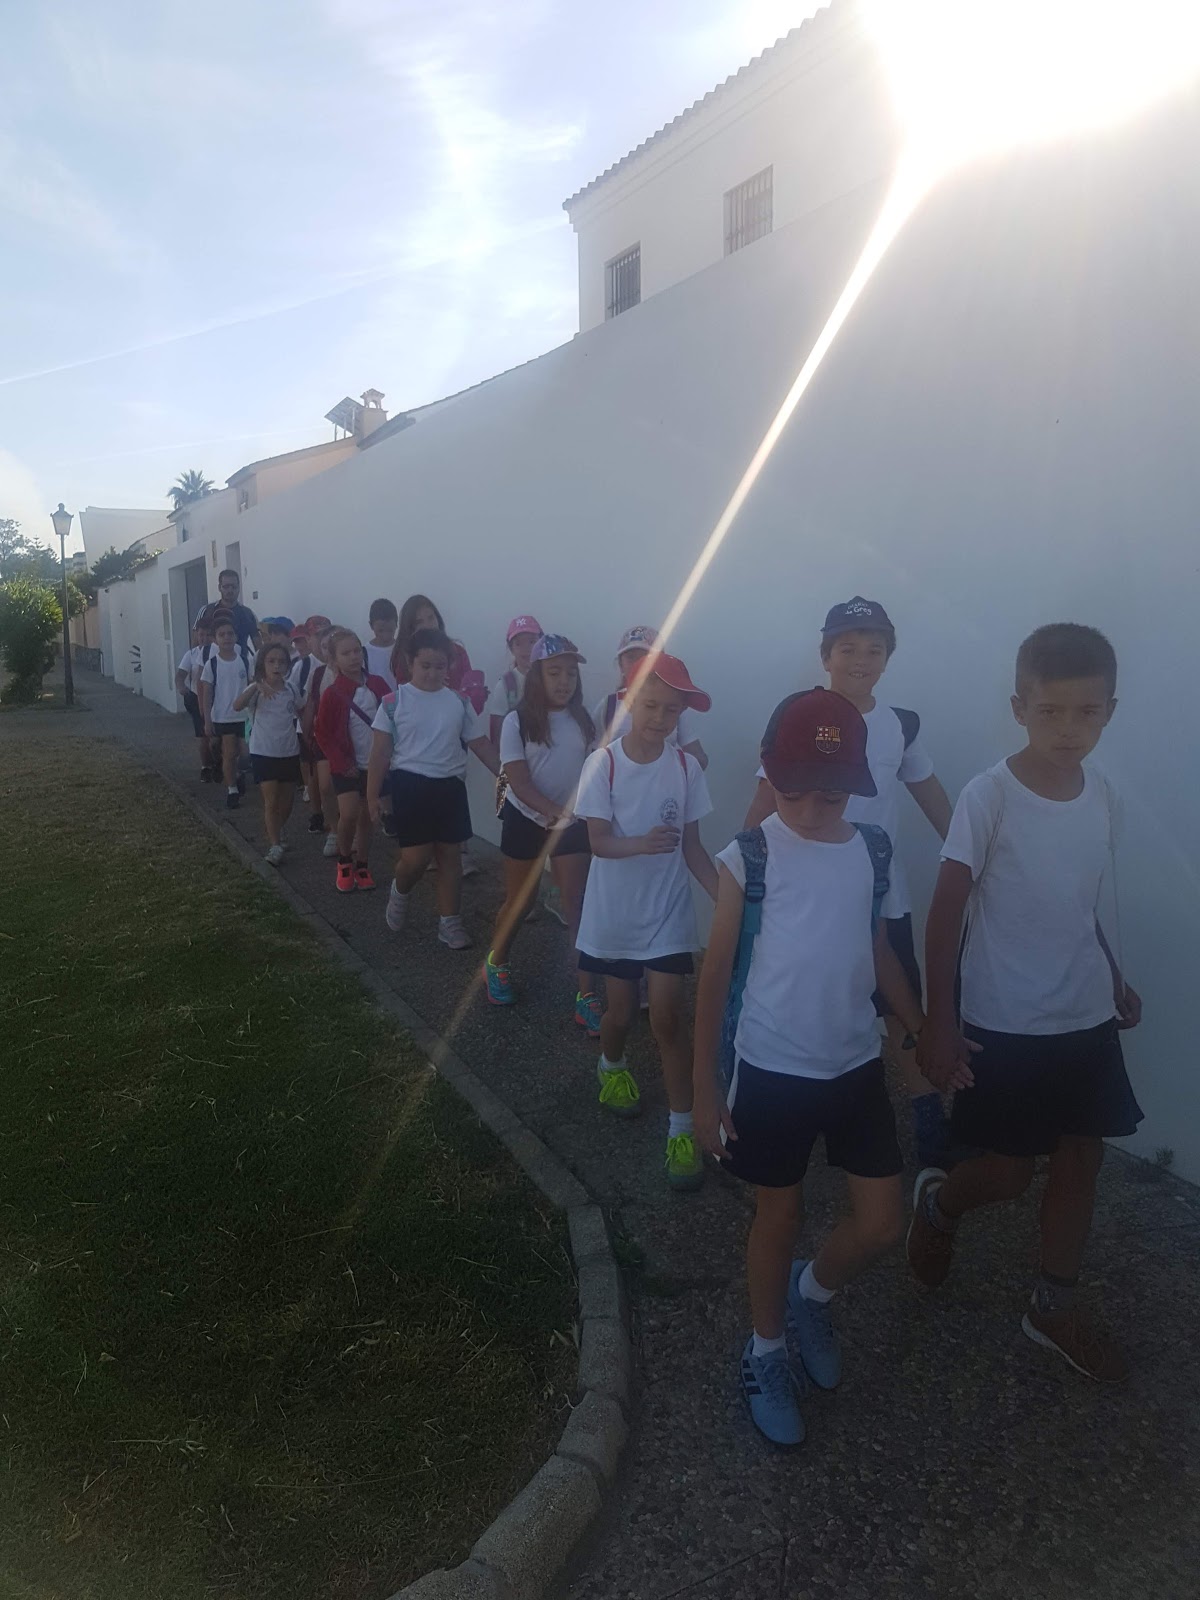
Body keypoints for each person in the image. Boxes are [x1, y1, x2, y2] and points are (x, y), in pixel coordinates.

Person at [906, 623, 1142, 1382]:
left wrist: (1114, 973)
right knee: (1008, 1172)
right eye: (1050, 712)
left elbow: (1078, 902)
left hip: (1085, 1014)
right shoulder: (990, 797)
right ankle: (939, 1207)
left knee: (1082, 1155)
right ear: (1019, 709)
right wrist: (939, 1023)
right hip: (1006, 1021)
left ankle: (1052, 1306)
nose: (1069, 729)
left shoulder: (1102, 795)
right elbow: (946, 911)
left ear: (1110, 710)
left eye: (1087, 712)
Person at [693, 689, 923, 1447]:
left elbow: (878, 950)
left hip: (855, 1064)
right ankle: (764, 1351)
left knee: (882, 1223)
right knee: (779, 1215)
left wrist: (922, 1029)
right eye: (795, 791)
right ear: (770, 773)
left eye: (833, 793)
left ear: (856, 783)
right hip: (772, 1070)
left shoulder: (871, 851)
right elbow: (715, 975)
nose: (814, 809)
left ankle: (812, 1294)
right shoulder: (749, 855)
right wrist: (702, 1090)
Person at [744, 597, 954, 1168]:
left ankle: (928, 1114)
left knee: (900, 1004)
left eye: (874, 649)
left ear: (888, 657)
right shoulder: (800, 716)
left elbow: (934, 799)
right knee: (806, 992)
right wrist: (741, 873)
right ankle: (791, 1095)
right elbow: (766, 799)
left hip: (883, 897)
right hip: (808, 894)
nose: (861, 659)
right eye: (847, 647)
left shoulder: (900, 727)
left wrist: (971, 854)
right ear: (825, 655)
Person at [574, 652, 717, 1191]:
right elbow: (597, 841)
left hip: (667, 914)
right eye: (651, 705)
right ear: (630, 702)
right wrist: (640, 843)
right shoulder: (603, 764)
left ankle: (682, 1129)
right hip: (615, 916)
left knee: (668, 1017)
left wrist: (727, 899)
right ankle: (611, 1067)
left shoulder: (685, 769)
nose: (660, 718)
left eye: (672, 710)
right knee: (618, 1014)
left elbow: (693, 848)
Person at [484, 633, 599, 1030]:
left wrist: (577, 813)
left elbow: (594, 772)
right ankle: (497, 962)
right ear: (536, 675)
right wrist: (552, 811)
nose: (564, 680)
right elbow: (517, 781)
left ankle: (587, 995)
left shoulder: (585, 721)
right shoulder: (517, 721)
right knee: (521, 901)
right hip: (526, 818)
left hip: (570, 822)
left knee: (576, 905)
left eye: (571, 673)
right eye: (554, 672)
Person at [366, 627, 498, 948]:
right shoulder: (394, 702)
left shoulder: (458, 702)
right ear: (410, 662)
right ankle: (400, 891)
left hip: (450, 787)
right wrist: (372, 796)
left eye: (440, 666)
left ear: (449, 665)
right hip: (410, 785)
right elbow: (380, 753)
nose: (432, 673)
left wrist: (507, 776)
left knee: (450, 857)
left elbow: (480, 744)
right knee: (416, 859)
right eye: (425, 665)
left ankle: (449, 922)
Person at [389, 594, 487, 876]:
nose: (426, 624)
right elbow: (408, 690)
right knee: (424, 792)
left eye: (430, 617)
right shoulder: (404, 655)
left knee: (454, 784)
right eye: (418, 621)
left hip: (453, 724)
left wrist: (473, 696)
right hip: (421, 733)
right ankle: (427, 851)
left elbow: (467, 686)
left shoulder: (457, 650)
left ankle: (459, 850)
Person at [313, 628, 391, 892]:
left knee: (368, 817)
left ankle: (363, 863)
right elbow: (322, 732)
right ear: (334, 660)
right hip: (345, 765)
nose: (353, 657)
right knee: (348, 814)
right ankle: (345, 860)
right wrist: (339, 761)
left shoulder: (378, 685)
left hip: (374, 764)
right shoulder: (333, 693)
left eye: (357, 651)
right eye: (346, 653)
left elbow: (395, 716)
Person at [594, 625, 709, 768]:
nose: (638, 664)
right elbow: (593, 758)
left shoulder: (674, 706)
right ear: (621, 664)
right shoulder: (608, 705)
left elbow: (699, 758)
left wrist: (672, 768)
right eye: (631, 657)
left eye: (647, 657)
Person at [234, 642, 303, 865]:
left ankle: (277, 830)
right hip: (263, 751)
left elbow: (301, 709)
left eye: (281, 662)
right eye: (271, 661)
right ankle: (274, 845)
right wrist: (256, 686)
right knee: (270, 801)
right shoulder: (256, 689)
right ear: (262, 664)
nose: (276, 666)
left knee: (287, 801)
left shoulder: (291, 689)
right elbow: (237, 705)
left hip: (289, 750)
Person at [199, 613, 254, 808]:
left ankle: (238, 774)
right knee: (229, 753)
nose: (227, 638)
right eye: (221, 635)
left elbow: (252, 687)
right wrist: (207, 719)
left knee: (246, 754)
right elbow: (207, 693)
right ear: (215, 639)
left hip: (244, 717)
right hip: (223, 717)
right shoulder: (212, 664)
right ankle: (232, 789)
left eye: (230, 633)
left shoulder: (245, 661)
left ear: (236, 636)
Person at [301, 624, 340, 858]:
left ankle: (353, 830)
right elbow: (311, 703)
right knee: (326, 786)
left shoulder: (356, 673)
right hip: (324, 737)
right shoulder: (317, 674)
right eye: (325, 646)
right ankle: (334, 829)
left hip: (352, 740)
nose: (329, 650)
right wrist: (307, 731)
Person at [487, 615, 543, 745]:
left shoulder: (552, 680)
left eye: (532, 642)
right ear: (511, 649)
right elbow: (496, 732)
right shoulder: (505, 685)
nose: (526, 649)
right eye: (518, 643)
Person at [175, 621, 214, 780]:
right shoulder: (191, 654)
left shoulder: (217, 652)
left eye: (208, 635)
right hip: (197, 698)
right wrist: (182, 688)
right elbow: (180, 675)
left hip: (215, 699)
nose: (204, 638)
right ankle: (206, 767)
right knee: (204, 736)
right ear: (196, 635)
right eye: (201, 635)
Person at [288, 624, 317, 806]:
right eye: (297, 642)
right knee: (306, 758)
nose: (300, 646)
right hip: (304, 719)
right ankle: (308, 786)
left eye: (303, 640)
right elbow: (292, 691)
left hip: (325, 721)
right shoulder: (301, 665)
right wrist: (301, 716)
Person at [214, 568, 259, 652]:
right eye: (226, 587)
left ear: (239, 587)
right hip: (212, 660)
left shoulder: (248, 614)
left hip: (241, 660)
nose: (230, 590)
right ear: (219, 587)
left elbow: (258, 647)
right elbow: (195, 647)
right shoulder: (207, 611)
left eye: (234, 587)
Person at [364, 598, 400, 692]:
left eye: (389, 629)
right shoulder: (363, 653)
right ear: (371, 625)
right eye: (381, 630)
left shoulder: (403, 649)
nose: (385, 633)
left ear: (396, 624)